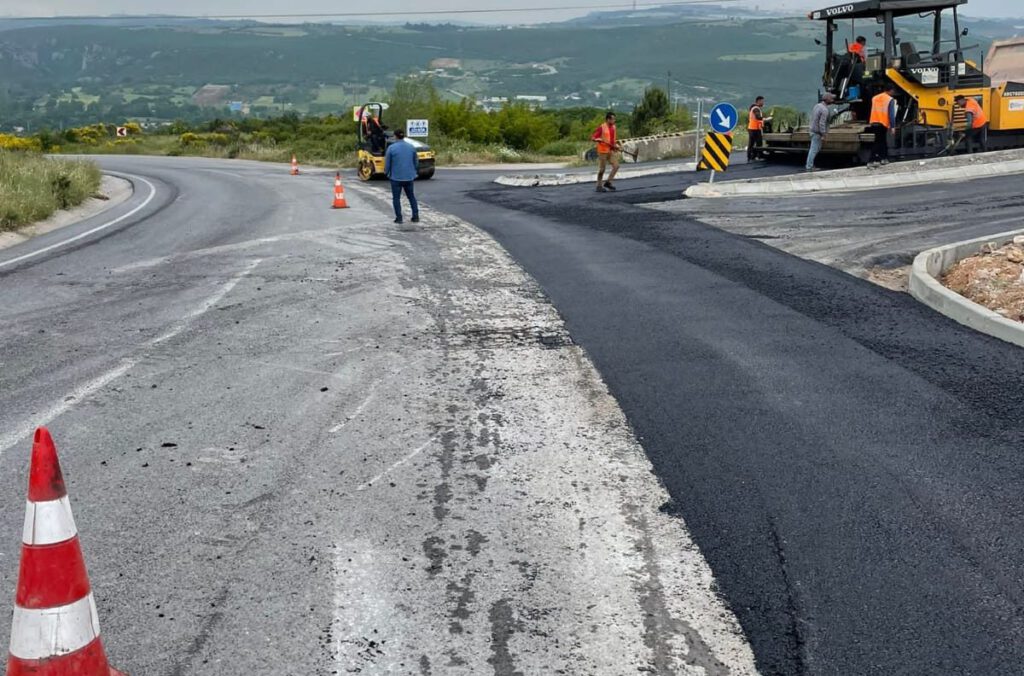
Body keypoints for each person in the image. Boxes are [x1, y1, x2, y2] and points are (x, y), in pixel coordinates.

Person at [384, 129, 419, 224]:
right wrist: (414, 172)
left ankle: (399, 218)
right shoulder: (411, 147)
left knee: (396, 198)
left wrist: (386, 173)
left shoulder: (391, 148)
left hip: (396, 177)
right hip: (409, 177)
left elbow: (387, 163)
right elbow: (416, 161)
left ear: (395, 136)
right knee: (411, 197)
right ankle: (415, 216)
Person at [591, 111, 621, 192]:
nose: (614, 121)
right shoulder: (602, 127)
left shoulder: (614, 127)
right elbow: (593, 137)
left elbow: (613, 139)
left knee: (616, 166)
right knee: (602, 169)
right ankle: (599, 186)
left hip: (610, 150)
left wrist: (616, 145)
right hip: (603, 151)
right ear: (608, 119)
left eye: (614, 119)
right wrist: (598, 139)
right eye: (613, 119)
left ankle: (608, 182)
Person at [868, 85, 897, 167]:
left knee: (881, 141)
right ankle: (872, 160)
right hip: (883, 123)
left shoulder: (875, 98)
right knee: (879, 142)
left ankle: (882, 158)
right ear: (890, 90)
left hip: (874, 121)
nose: (894, 93)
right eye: (893, 91)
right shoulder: (889, 99)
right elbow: (891, 114)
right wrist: (893, 126)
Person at [805, 92, 835, 172]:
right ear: (828, 99)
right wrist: (824, 134)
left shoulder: (817, 106)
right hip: (817, 132)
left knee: (815, 149)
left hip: (812, 130)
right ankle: (809, 166)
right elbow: (822, 123)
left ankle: (810, 165)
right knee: (814, 149)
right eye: (831, 99)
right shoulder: (825, 110)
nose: (832, 100)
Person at [747, 96, 771, 161]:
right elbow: (758, 117)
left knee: (751, 144)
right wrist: (766, 119)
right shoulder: (756, 108)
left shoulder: (754, 108)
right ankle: (759, 156)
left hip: (752, 128)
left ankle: (750, 157)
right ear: (758, 101)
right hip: (755, 129)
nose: (763, 103)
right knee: (758, 143)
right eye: (762, 101)